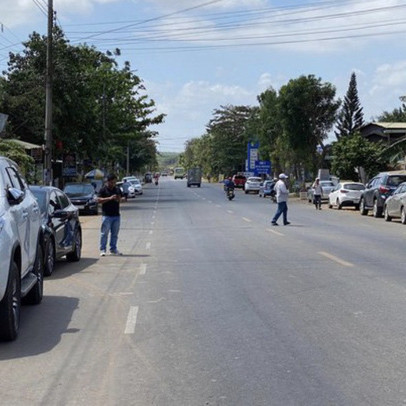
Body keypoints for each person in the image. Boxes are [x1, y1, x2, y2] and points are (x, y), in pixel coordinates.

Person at [97, 173, 124, 256]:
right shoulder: (103, 190)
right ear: (107, 182)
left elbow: (122, 199)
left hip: (116, 215)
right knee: (104, 233)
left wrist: (119, 199)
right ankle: (102, 249)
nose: (113, 184)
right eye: (112, 182)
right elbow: (98, 200)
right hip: (106, 215)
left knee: (115, 234)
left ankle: (113, 249)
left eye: (114, 182)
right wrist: (109, 198)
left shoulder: (117, 189)